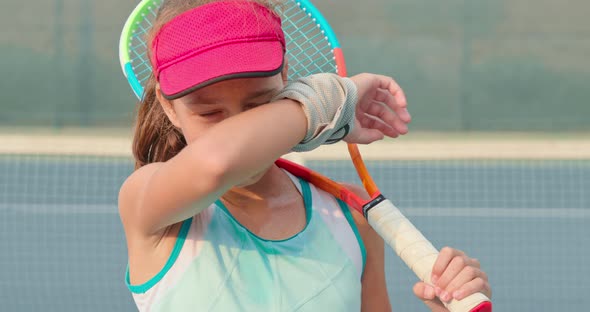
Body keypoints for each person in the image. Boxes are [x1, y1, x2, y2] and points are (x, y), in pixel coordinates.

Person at [118, 0, 491, 311]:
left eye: (260, 104)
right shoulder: (149, 205)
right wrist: (331, 101)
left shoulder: (352, 221)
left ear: (285, 75)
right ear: (168, 108)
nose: (239, 127)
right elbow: (219, 163)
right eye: (209, 112)